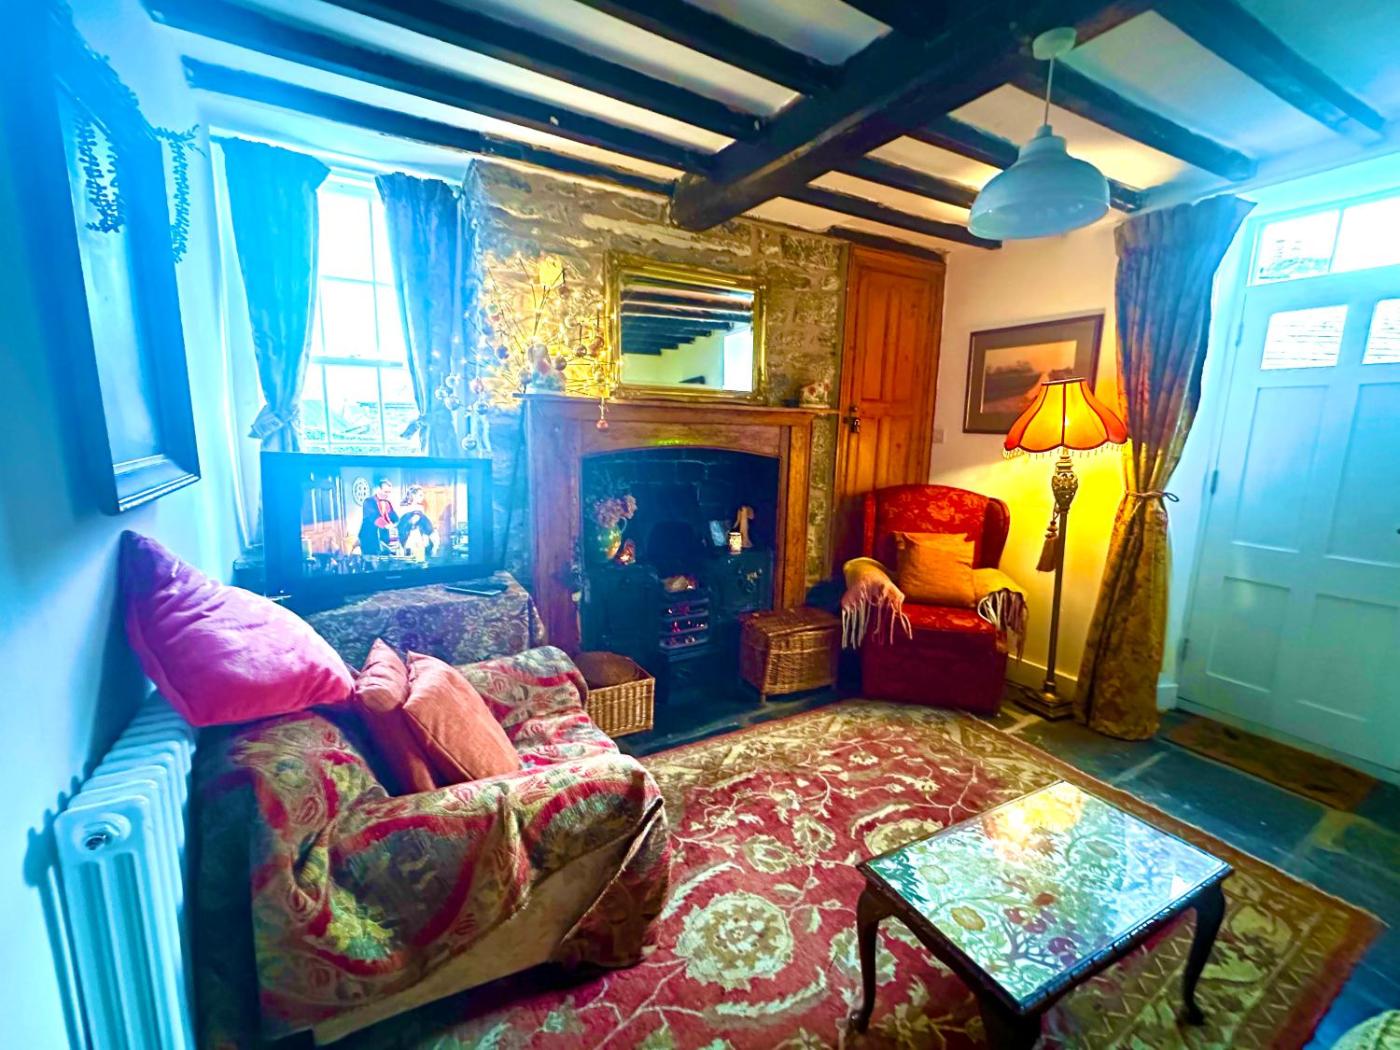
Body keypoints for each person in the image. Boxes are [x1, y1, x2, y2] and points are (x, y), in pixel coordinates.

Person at [397, 484, 439, 561]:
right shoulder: (404, 508)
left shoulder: (420, 507)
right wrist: (411, 520)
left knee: (420, 556)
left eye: (422, 495)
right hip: (408, 535)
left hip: (419, 534)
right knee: (410, 556)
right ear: (413, 495)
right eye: (420, 495)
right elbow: (402, 524)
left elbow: (423, 522)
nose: (422, 497)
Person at [358, 477, 398, 556]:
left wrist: (396, 524)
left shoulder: (387, 503)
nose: (387, 494)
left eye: (389, 492)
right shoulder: (369, 501)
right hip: (369, 538)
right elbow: (373, 517)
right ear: (378, 489)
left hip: (383, 538)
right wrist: (386, 525)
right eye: (385, 492)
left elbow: (394, 517)